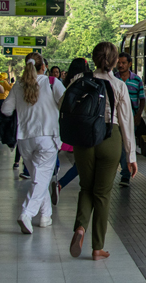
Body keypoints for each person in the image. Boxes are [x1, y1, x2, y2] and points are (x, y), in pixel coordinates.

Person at [69, 42, 136, 261]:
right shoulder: (118, 85)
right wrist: (131, 156)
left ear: (94, 58)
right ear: (116, 61)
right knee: (102, 194)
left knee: (85, 187)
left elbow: (64, 104)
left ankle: (80, 228)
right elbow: (126, 121)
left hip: (84, 139)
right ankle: (97, 248)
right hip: (110, 137)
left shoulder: (79, 81)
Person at [2, 52, 65, 234]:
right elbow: (66, 104)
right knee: (40, 179)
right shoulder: (52, 83)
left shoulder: (18, 86)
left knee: (39, 178)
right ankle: (27, 213)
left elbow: (6, 110)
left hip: (25, 140)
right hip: (47, 137)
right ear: (43, 66)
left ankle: (46, 216)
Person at [52, 58, 92, 204]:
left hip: (76, 128)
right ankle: (62, 184)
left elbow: (62, 104)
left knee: (82, 161)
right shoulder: (89, 81)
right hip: (89, 127)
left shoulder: (69, 83)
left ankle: (61, 184)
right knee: (84, 163)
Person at [114, 52, 144, 187]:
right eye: (119, 63)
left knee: (128, 146)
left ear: (129, 64)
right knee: (120, 147)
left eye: (123, 63)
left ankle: (126, 173)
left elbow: (142, 99)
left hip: (131, 119)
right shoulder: (114, 79)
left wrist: (138, 116)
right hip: (117, 120)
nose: (120, 65)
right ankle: (125, 175)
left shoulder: (137, 80)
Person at [0, 72, 13, 141]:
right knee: (3, 119)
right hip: (3, 101)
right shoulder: (4, 82)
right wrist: (12, 83)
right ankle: (1, 135)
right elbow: (10, 89)